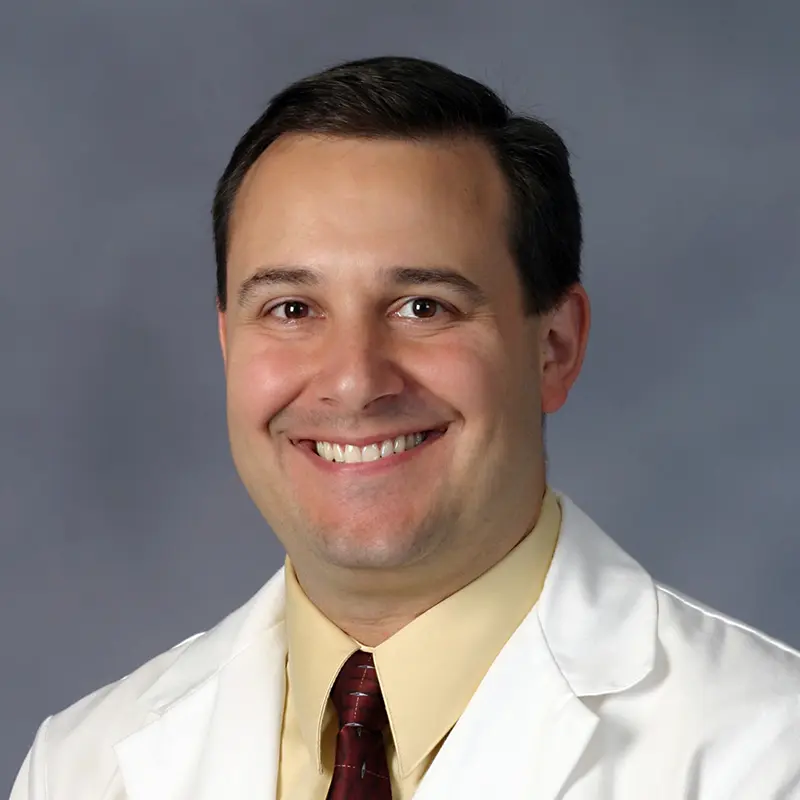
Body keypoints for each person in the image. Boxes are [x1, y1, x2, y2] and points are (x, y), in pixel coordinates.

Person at [10, 55, 800, 800]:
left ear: (554, 347)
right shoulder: (81, 767)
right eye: (291, 309)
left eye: (425, 307)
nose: (354, 379)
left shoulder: (766, 751)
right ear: (228, 346)